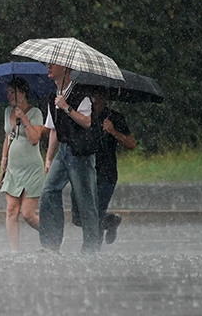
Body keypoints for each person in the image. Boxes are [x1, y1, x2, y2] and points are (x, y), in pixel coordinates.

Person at [39, 63, 101, 254]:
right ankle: (50, 244)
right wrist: (49, 158)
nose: (48, 66)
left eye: (53, 64)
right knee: (48, 192)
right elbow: (53, 130)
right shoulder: (53, 96)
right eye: (47, 63)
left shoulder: (81, 95)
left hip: (81, 153)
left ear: (66, 68)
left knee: (85, 200)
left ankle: (91, 247)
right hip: (63, 152)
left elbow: (87, 122)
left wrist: (66, 107)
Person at [70, 90, 136, 244]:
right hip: (84, 172)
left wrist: (113, 131)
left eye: (97, 97)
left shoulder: (114, 117)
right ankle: (111, 221)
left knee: (96, 216)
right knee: (78, 218)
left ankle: (92, 251)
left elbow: (131, 144)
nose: (94, 100)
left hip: (106, 174)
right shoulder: (83, 116)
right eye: (91, 97)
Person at [0, 78, 44, 251]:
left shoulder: (35, 112)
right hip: (13, 169)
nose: (9, 95)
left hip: (31, 169)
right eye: (8, 92)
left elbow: (34, 139)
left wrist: (23, 117)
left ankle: (51, 235)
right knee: (11, 210)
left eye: (13, 92)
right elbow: (7, 137)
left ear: (23, 93)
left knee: (28, 214)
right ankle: (14, 252)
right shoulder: (7, 111)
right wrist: (3, 161)